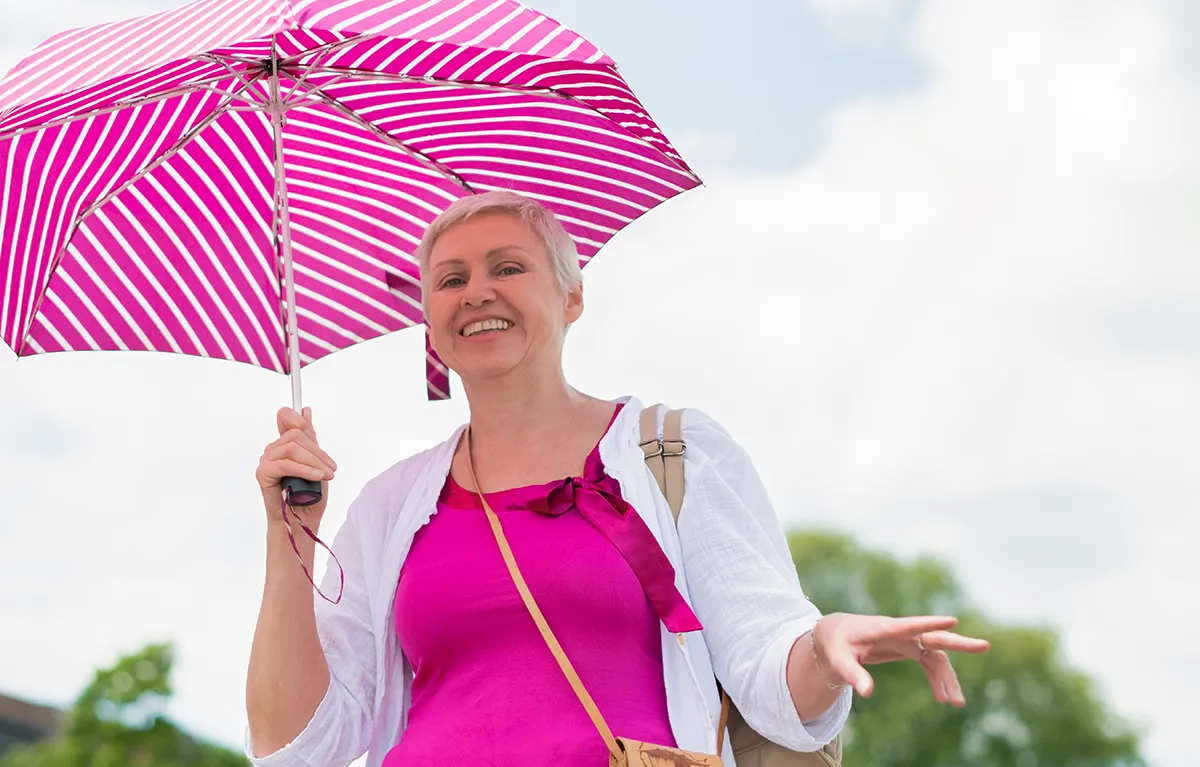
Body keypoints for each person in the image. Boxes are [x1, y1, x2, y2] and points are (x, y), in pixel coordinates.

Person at [245, 191, 989, 767]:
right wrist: (291, 542)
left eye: (508, 267)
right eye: (449, 279)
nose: (476, 291)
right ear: (429, 319)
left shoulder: (673, 451)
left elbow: (767, 664)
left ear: (572, 297)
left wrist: (822, 646)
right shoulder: (391, 506)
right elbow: (297, 744)